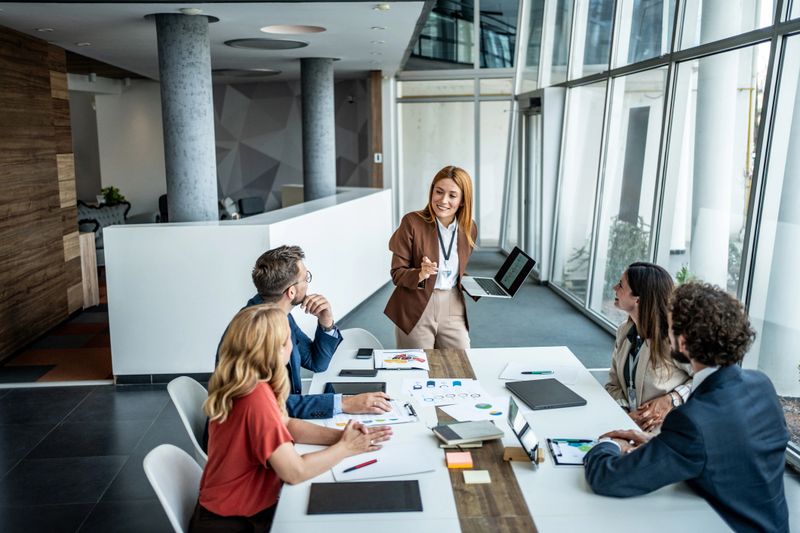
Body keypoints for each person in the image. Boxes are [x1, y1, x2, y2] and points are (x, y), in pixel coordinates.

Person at [584, 282, 790, 533]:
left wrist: (608, 444)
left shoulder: (692, 421)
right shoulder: (761, 385)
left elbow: (608, 478)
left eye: (669, 329)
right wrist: (658, 444)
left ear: (682, 342)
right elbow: (729, 450)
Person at [190, 307, 392, 532]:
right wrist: (346, 448)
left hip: (232, 508)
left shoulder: (250, 381)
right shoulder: (254, 398)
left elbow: (287, 424)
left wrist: (340, 438)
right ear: (275, 350)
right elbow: (294, 472)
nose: (292, 346)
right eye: (289, 340)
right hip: (235, 521)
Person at [202, 246, 391, 451]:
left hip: (278, 423)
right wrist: (344, 403)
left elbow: (316, 362)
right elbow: (269, 406)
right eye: (305, 278)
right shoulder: (256, 332)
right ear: (291, 291)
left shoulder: (279, 313)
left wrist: (326, 322)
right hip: (246, 443)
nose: (308, 284)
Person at [384, 165, 478, 349]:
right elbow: (397, 273)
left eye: (452, 195)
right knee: (417, 368)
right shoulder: (412, 222)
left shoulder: (469, 229)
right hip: (416, 305)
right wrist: (420, 273)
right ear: (432, 192)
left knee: (459, 365)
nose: (443, 200)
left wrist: (478, 285)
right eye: (439, 192)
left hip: (453, 303)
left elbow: (456, 271)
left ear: (462, 201)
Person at [605, 262, 693, 431]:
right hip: (629, 427)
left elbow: (707, 379)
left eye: (621, 285)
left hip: (667, 433)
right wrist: (624, 412)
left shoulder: (673, 339)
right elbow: (613, 383)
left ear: (638, 299)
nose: (614, 287)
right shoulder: (624, 331)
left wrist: (672, 399)